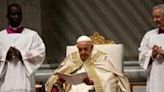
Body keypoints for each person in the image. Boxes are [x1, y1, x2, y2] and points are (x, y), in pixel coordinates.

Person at [45, 35, 130, 92]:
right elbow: (58, 74)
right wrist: (60, 81)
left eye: (86, 49)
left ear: (91, 47)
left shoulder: (101, 57)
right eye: (80, 49)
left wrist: (93, 82)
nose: (83, 52)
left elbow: (109, 78)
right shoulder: (72, 58)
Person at [0, 3, 46, 92]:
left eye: (18, 14)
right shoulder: (1, 36)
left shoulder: (32, 35)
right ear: (7, 16)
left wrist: (22, 54)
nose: (16, 17)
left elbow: (40, 52)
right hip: (6, 81)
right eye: (13, 14)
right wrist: (5, 56)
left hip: (25, 81)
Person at [139, 4, 164, 92]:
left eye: (157, 17)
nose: (155, 20)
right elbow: (142, 55)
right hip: (155, 74)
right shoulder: (149, 35)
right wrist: (151, 54)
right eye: (153, 17)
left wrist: (162, 52)